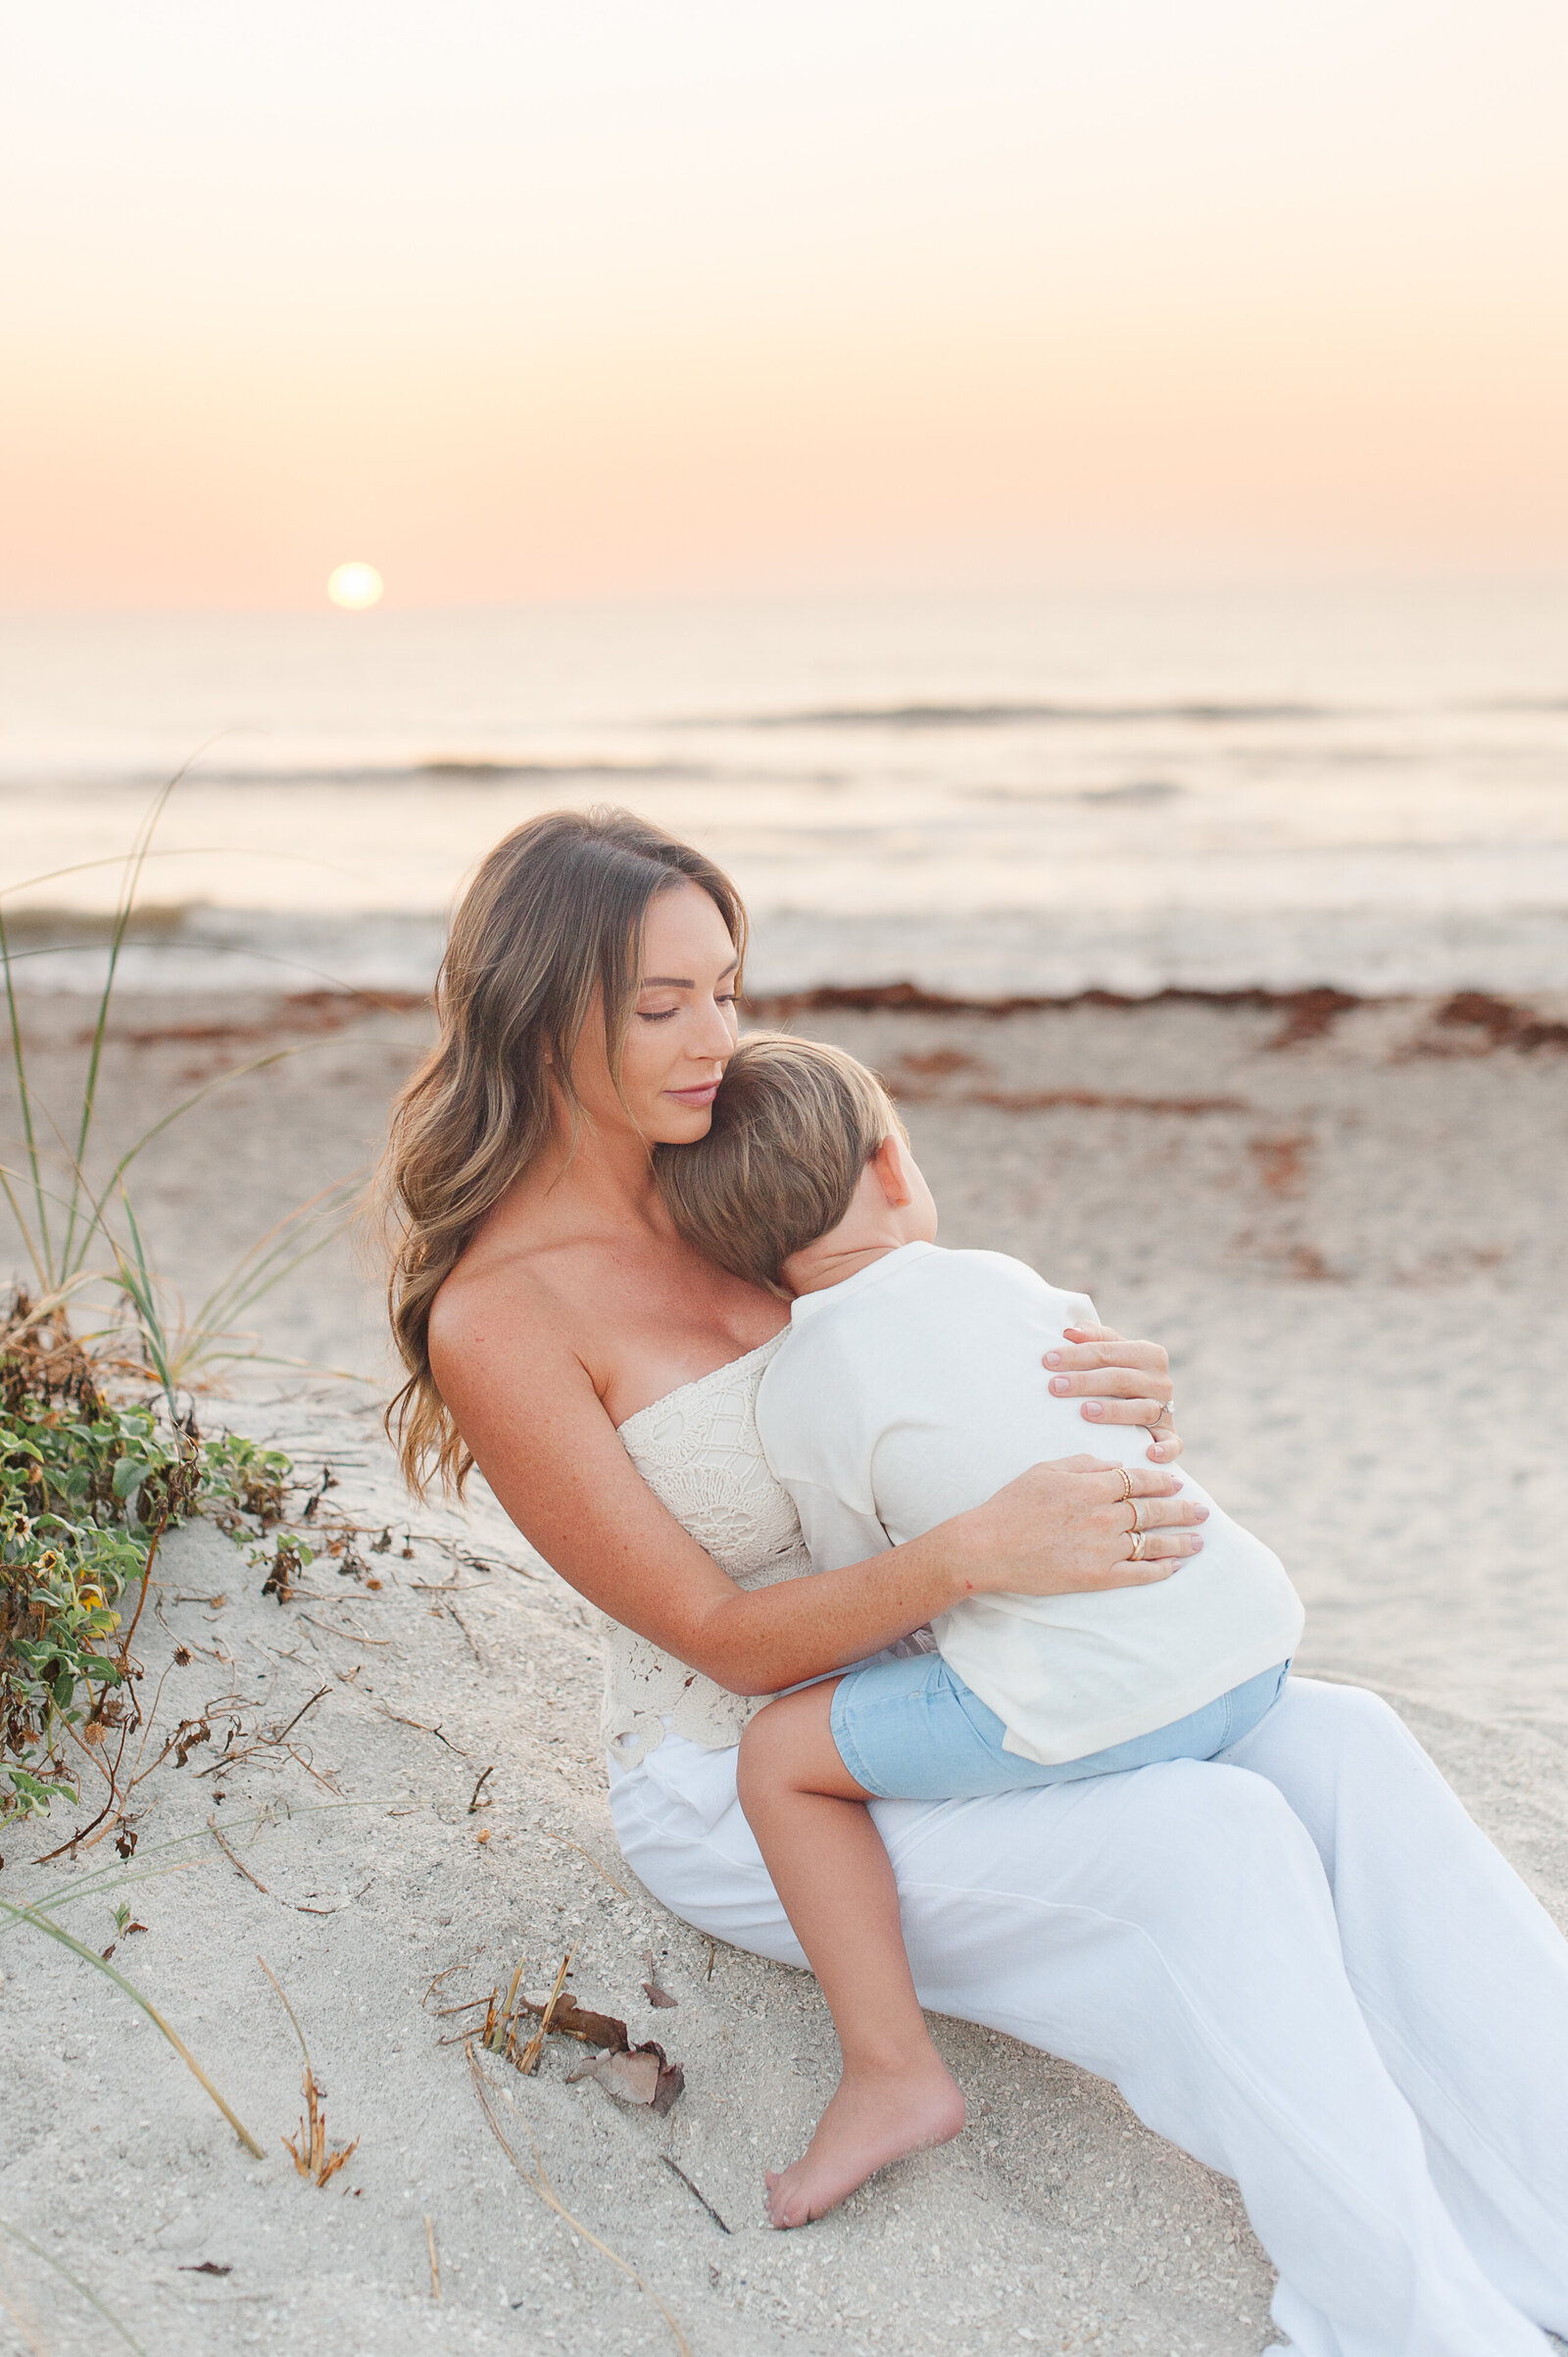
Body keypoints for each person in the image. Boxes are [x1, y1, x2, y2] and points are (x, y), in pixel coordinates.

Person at [388, 806, 1568, 2357]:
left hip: (969, 1687)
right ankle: (1406, 2320)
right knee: (1207, 1839)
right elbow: (719, 1638)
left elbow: (940, 1394)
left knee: (1343, 1745)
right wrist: (973, 1551)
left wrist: (1112, 1394)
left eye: (727, 990)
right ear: (541, 1017)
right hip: (746, 1786)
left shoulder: (741, 1187)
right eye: (662, 1005)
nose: (714, 1038)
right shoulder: (502, 1316)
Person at [652, 1030, 1305, 2226]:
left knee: (779, 1757)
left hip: (1114, 1703)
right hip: (1253, 1642)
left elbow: (872, 1595)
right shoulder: (1010, 1279)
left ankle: (890, 2069)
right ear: (893, 1165)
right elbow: (1124, 1435)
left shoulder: (802, 1384)